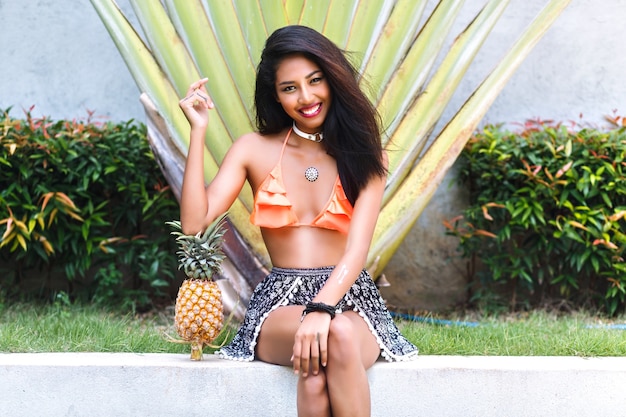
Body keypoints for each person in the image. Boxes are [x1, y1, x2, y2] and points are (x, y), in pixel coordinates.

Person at [178, 25, 418, 417]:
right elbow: (193, 223)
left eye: (315, 81)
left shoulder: (365, 155)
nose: (306, 97)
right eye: (289, 88)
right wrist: (198, 131)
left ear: (333, 80)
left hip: (350, 300)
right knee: (327, 343)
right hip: (280, 305)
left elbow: (358, 250)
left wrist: (322, 308)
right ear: (275, 96)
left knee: (327, 349)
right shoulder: (253, 149)